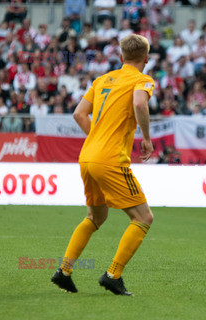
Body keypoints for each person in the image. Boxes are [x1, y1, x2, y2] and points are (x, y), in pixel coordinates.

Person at [51, 34, 155, 296]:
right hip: (109, 159)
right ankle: (113, 275)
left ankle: (64, 271)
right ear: (146, 58)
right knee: (143, 218)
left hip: (87, 157)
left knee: (96, 217)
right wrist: (146, 138)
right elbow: (140, 102)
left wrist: (97, 138)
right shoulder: (142, 79)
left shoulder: (101, 80)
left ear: (121, 57)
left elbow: (78, 113)